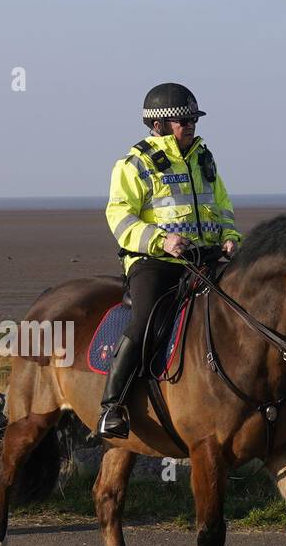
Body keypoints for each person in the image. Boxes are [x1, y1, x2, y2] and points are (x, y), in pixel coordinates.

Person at [99, 83, 241, 438]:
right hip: (153, 261)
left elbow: (221, 205)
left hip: (204, 258)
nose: (190, 125)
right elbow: (120, 216)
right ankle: (112, 405)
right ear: (159, 125)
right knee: (146, 319)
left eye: (193, 119)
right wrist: (162, 240)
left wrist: (229, 236)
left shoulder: (204, 158)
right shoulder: (135, 163)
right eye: (183, 120)